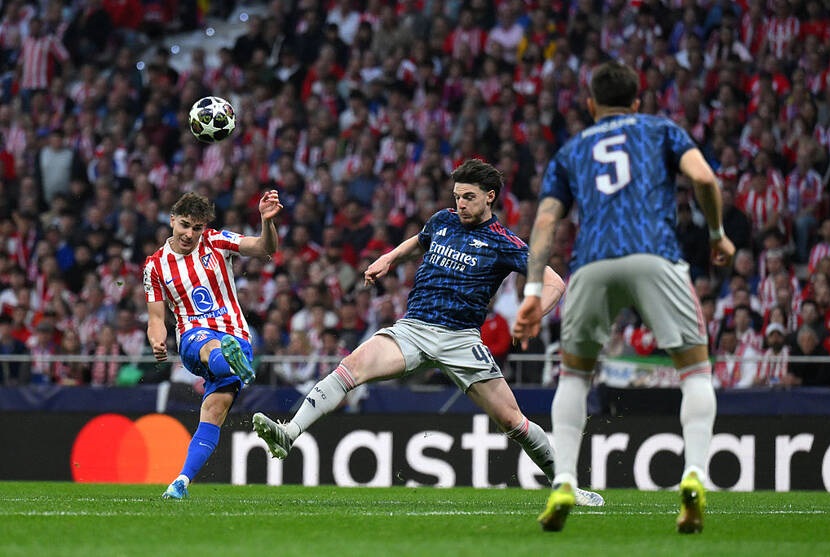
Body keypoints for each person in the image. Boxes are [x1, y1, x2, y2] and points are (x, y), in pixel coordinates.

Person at [251, 158, 604, 506]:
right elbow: (418, 241)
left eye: (468, 197)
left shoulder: (503, 242)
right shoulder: (443, 220)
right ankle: (289, 433)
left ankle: (566, 485)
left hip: (461, 339)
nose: (460, 204)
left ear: (490, 197)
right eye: (457, 196)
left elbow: (555, 283)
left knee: (513, 421)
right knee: (350, 368)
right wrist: (389, 258)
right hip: (413, 329)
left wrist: (533, 315)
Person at [513, 62, 735, 533]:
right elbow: (704, 179)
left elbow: (546, 221)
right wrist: (717, 234)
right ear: (637, 102)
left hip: (592, 263)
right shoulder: (661, 130)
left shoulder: (571, 150)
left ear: (590, 105)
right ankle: (694, 474)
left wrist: (532, 291)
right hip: (655, 254)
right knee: (695, 372)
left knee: (574, 377)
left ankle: (564, 479)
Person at [144, 190, 282, 499]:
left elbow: (264, 248)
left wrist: (266, 221)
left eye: (196, 228)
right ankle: (231, 363)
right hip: (193, 337)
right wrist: (157, 340)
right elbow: (155, 317)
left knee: (213, 411)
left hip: (235, 334)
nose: (189, 234)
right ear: (172, 220)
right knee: (210, 347)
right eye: (184, 225)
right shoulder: (155, 266)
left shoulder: (217, 241)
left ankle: (181, 482)